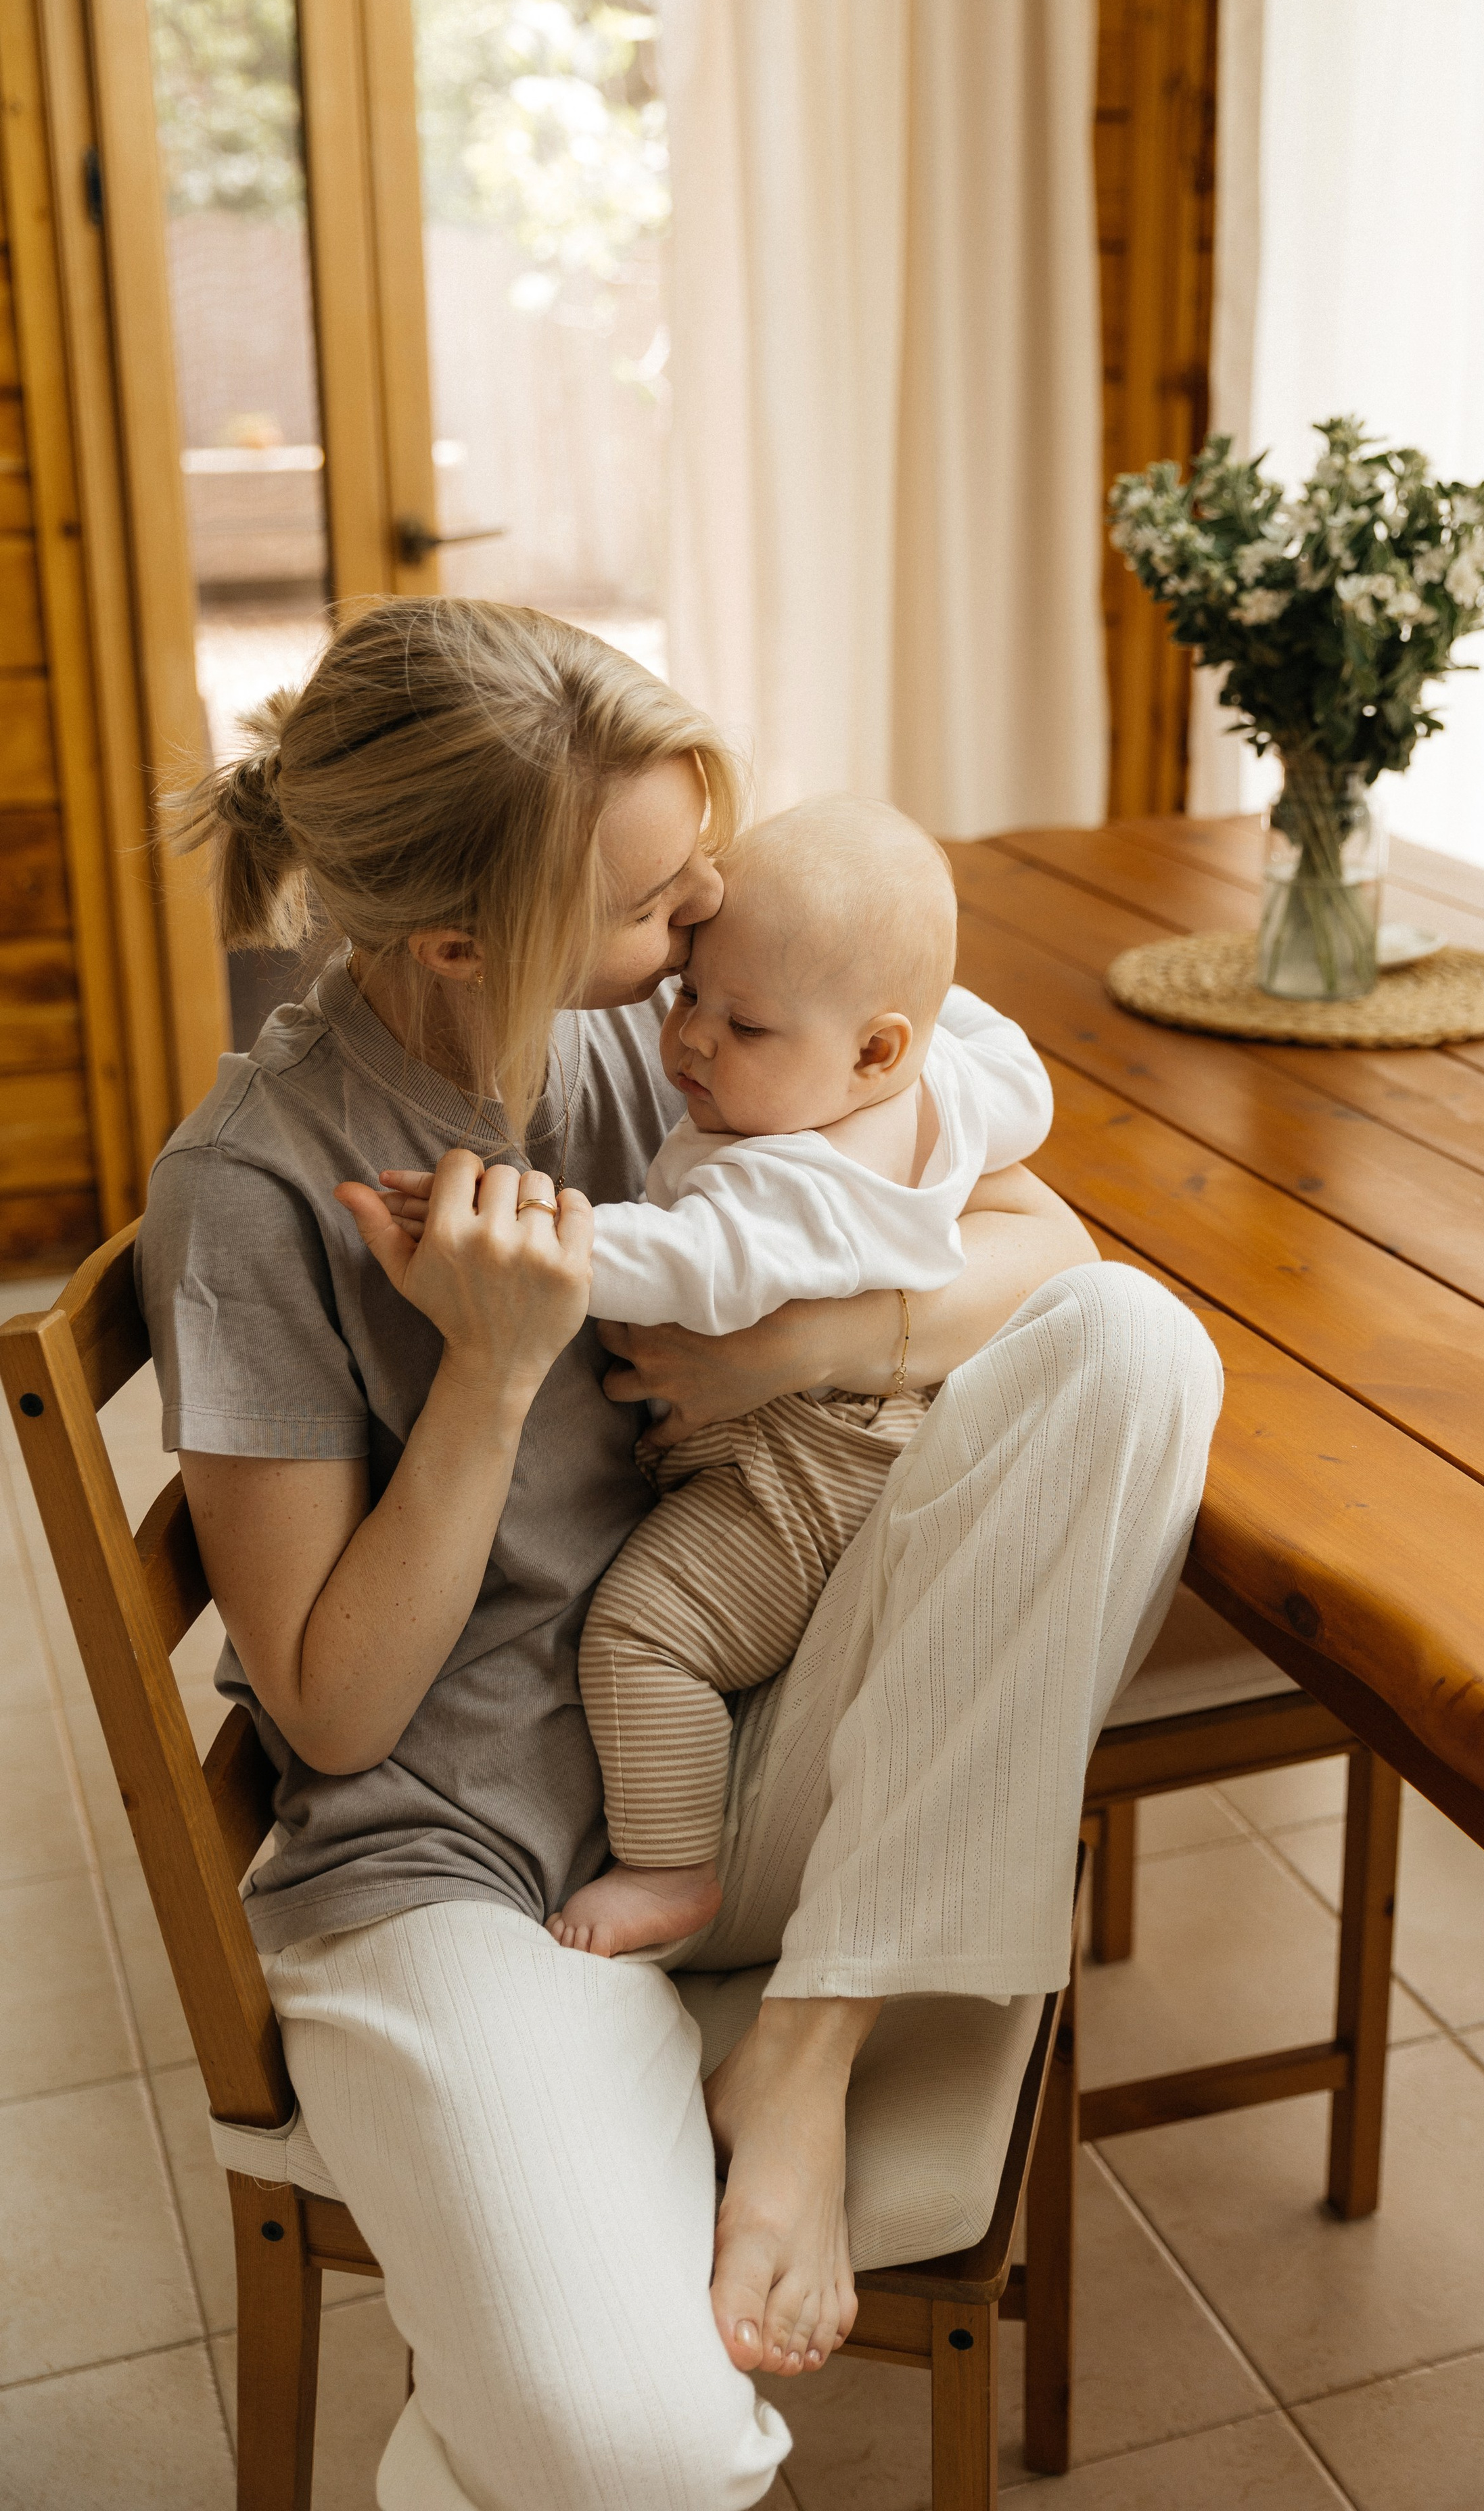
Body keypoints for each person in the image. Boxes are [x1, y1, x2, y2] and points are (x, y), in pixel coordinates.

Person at [139, 596, 1223, 2511]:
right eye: (654, 903)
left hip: (743, 1743)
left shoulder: (685, 1026)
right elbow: (328, 1706)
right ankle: (507, 2371)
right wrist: (487, 1371)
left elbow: (1049, 1251)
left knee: (1135, 1352)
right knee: (621, 2450)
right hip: (460, 1857)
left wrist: (801, 1346)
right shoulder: (257, 1187)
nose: (705, 912)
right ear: (467, 938)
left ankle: (794, 2061)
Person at [379, 793, 1056, 1962]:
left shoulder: (797, 1178)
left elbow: (697, 1267)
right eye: (690, 994)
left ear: (876, 1051)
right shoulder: (952, 1084)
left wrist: (526, 1228)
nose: (690, 1040)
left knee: (646, 1632)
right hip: (855, 1427)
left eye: (744, 1028)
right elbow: (1001, 1054)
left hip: (801, 1467)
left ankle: (673, 1864)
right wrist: (872, 990)